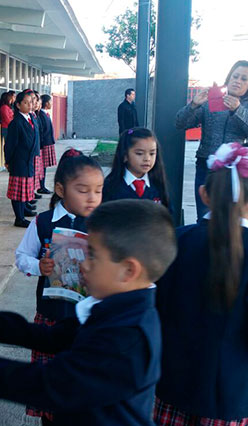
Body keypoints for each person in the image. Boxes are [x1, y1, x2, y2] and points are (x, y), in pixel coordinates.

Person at [0, 199, 178, 426]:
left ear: (128, 271)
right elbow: (53, 337)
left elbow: (49, 385)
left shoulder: (128, 338)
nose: (83, 265)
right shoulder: (117, 310)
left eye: (92, 256)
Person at [154, 142, 248, 425]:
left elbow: (155, 309)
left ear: (204, 194)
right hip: (232, 396)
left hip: (173, 384)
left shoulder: (176, 241)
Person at [15, 149, 103, 423]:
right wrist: (37, 266)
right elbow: (21, 256)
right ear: (61, 190)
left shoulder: (103, 225)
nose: (92, 198)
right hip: (51, 316)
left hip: (88, 320)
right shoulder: (43, 223)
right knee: (50, 385)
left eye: (98, 191)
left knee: (81, 385)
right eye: (83, 190)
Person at [176, 60, 248, 222]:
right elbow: (180, 123)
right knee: (204, 215)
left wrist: (238, 110)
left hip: (235, 170)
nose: (238, 81)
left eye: (244, 79)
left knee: (233, 217)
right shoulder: (212, 101)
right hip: (205, 165)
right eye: (235, 76)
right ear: (228, 78)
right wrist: (194, 104)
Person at [102, 127, 170, 209]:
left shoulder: (158, 184)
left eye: (152, 153)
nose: (147, 159)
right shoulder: (110, 187)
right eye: (139, 153)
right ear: (125, 155)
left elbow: (168, 215)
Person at [5, 91, 38, 228]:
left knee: (26, 188)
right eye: (25, 102)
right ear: (18, 105)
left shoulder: (31, 118)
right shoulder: (16, 123)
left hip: (29, 159)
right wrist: (8, 161)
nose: (29, 105)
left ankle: (24, 210)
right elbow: (9, 145)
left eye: (31, 102)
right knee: (17, 191)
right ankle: (19, 218)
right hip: (19, 160)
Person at [37, 94, 56, 194]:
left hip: (48, 143)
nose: (52, 104)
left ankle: (42, 185)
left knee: (44, 167)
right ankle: (41, 186)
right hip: (44, 144)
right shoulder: (41, 115)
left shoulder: (45, 114)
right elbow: (42, 132)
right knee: (42, 167)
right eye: (51, 102)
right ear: (46, 103)